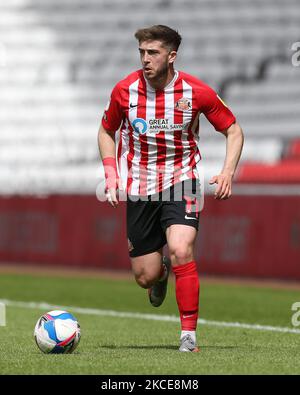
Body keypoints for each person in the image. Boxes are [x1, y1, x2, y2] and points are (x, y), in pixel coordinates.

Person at [98, 25, 244, 352]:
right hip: (140, 185)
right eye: (142, 53)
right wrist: (111, 174)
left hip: (182, 180)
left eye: (153, 53)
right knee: (144, 276)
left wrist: (227, 171)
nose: (146, 60)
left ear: (172, 56)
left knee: (181, 249)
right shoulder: (125, 90)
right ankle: (161, 274)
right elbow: (106, 132)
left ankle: (188, 337)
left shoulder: (196, 91)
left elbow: (233, 129)